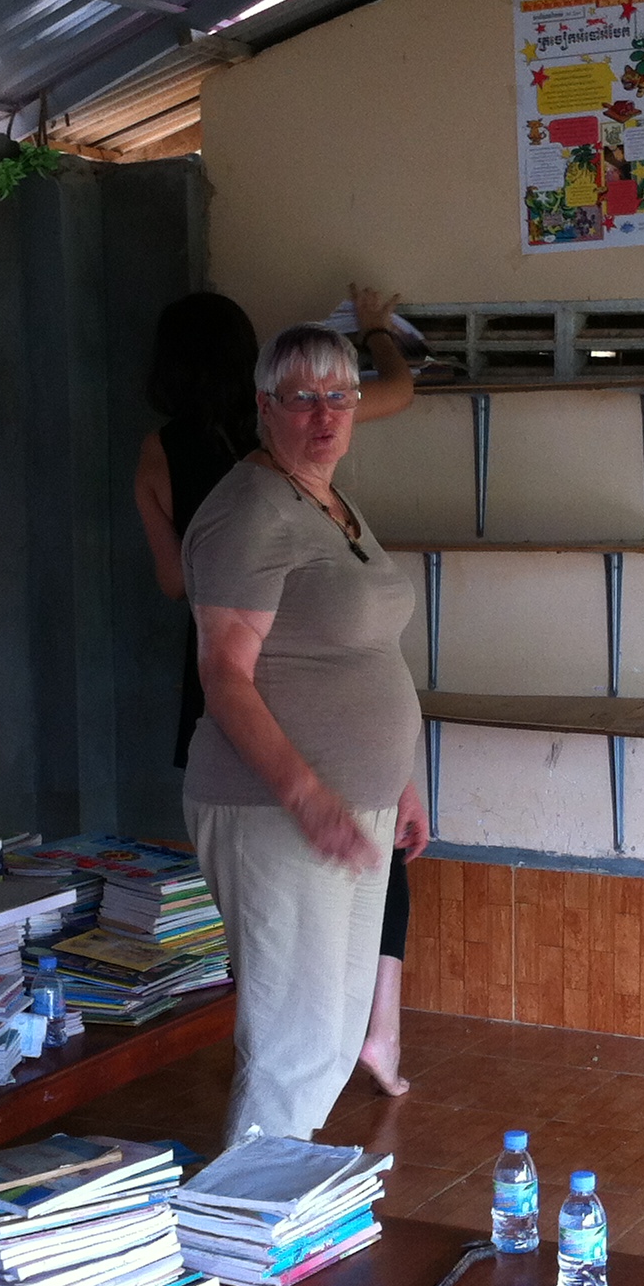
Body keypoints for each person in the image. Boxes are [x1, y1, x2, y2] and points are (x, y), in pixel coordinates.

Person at [135, 289, 420, 1097]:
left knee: (329, 1041)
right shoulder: (250, 510)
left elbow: (364, 648)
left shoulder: (328, 498)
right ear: (264, 405)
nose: (326, 414)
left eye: (340, 396)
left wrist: (401, 779)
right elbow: (223, 674)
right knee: (292, 1049)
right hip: (276, 806)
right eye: (303, 399)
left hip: (357, 799)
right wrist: (307, 796)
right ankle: (252, 1183)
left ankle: (294, 1181)